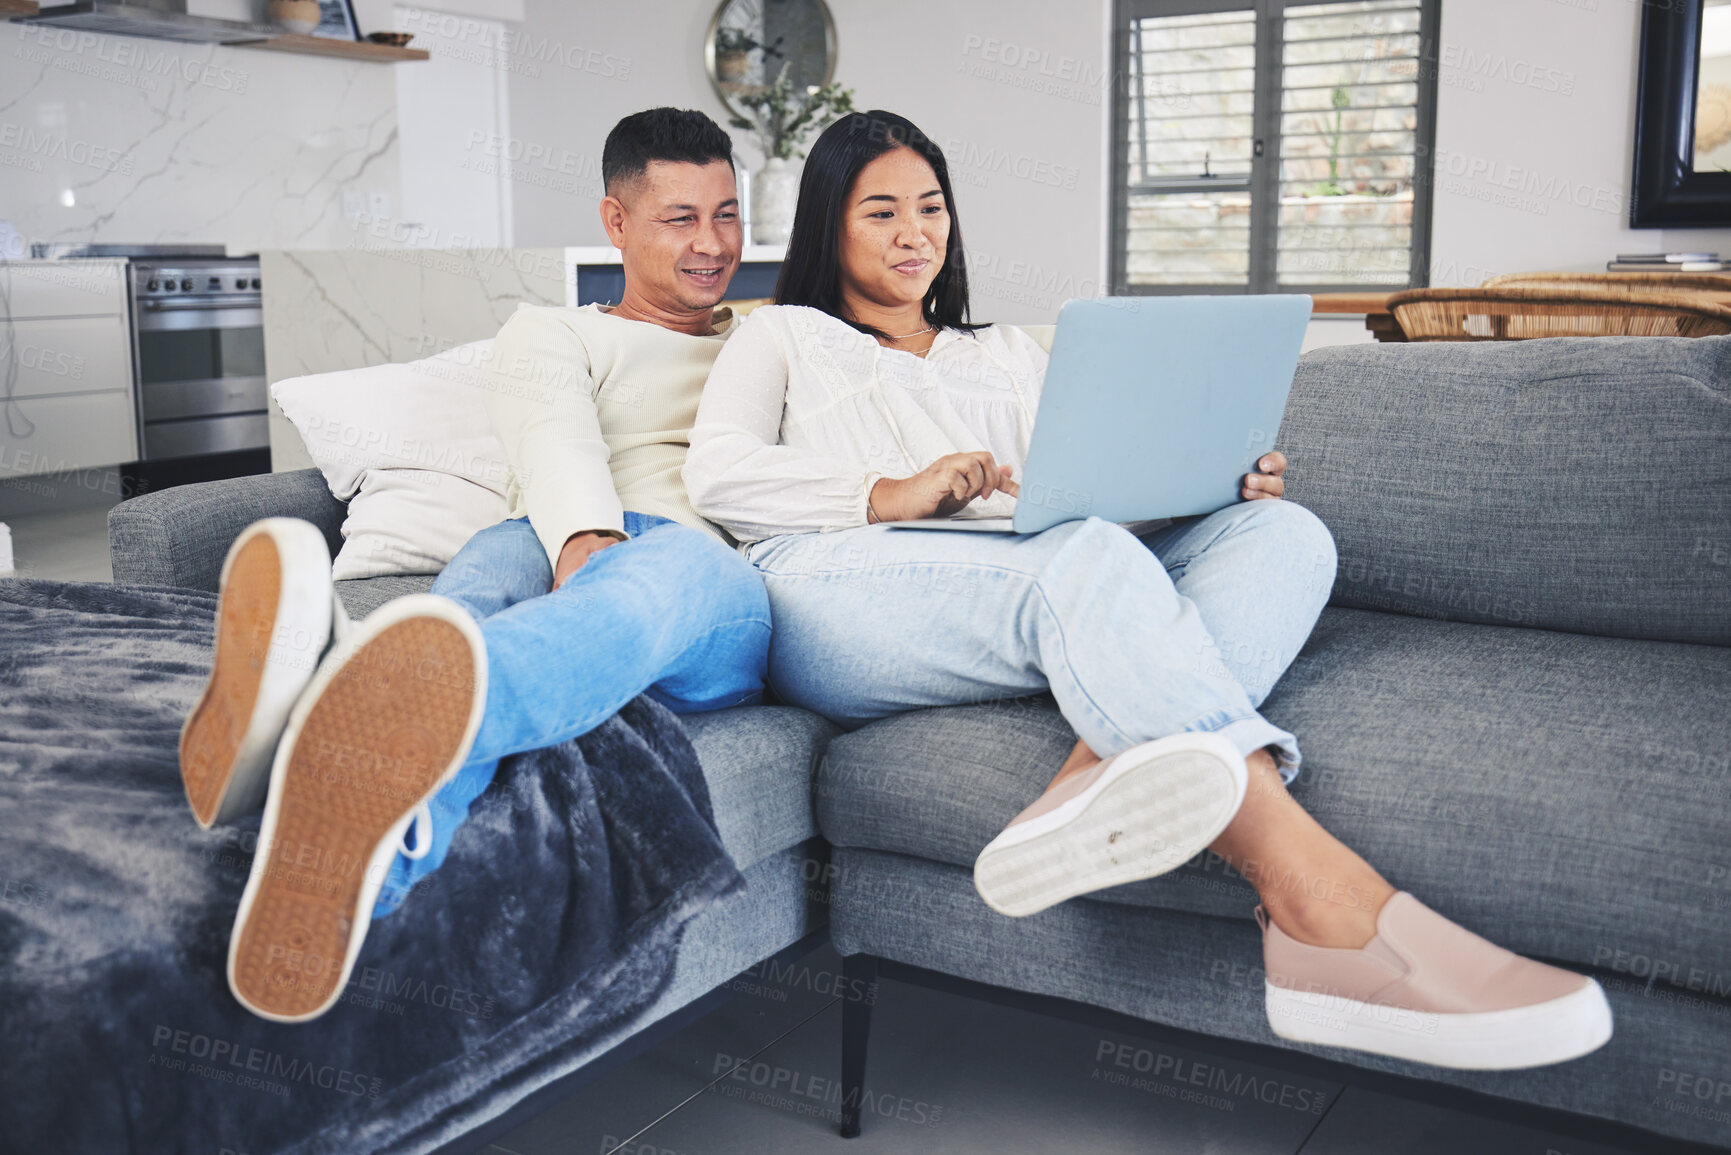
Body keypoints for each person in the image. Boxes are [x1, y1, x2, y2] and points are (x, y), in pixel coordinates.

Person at [682, 110, 1613, 1069]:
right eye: (881, 211)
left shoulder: (1004, 353)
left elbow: (1089, 501)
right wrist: (888, 492)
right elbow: (716, 473)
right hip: (833, 587)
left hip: (1026, 573)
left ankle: (1091, 775)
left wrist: (1201, 485)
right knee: (1079, 561)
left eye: (932, 207)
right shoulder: (782, 336)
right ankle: (1325, 914)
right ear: (827, 225)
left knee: (1283, 532)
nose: (916, 231)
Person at [178, 108, 770, 1023]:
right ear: (614, 222)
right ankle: (367, 848)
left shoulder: (773, 340)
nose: (710, 243)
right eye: (679, 218)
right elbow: (554, 437)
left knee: (644, 590)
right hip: (553, 534)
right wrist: (582, 539)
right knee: (464, 606)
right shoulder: (552, 331)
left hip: (703, 574)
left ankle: (327, 698)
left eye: (726, 215)